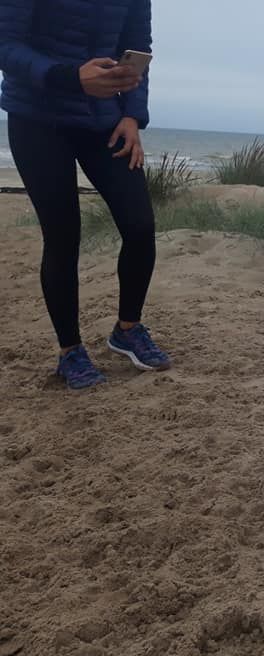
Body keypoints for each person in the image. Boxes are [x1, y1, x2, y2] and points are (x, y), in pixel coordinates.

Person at [0, 0, 171, 390]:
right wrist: (70, 77)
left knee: (139, 225)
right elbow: (6, 44)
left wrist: (132, 116)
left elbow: (137, 49)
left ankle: (127, 329)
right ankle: (70, 352)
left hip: (104, 118)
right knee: (63, 236)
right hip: (37, 118)